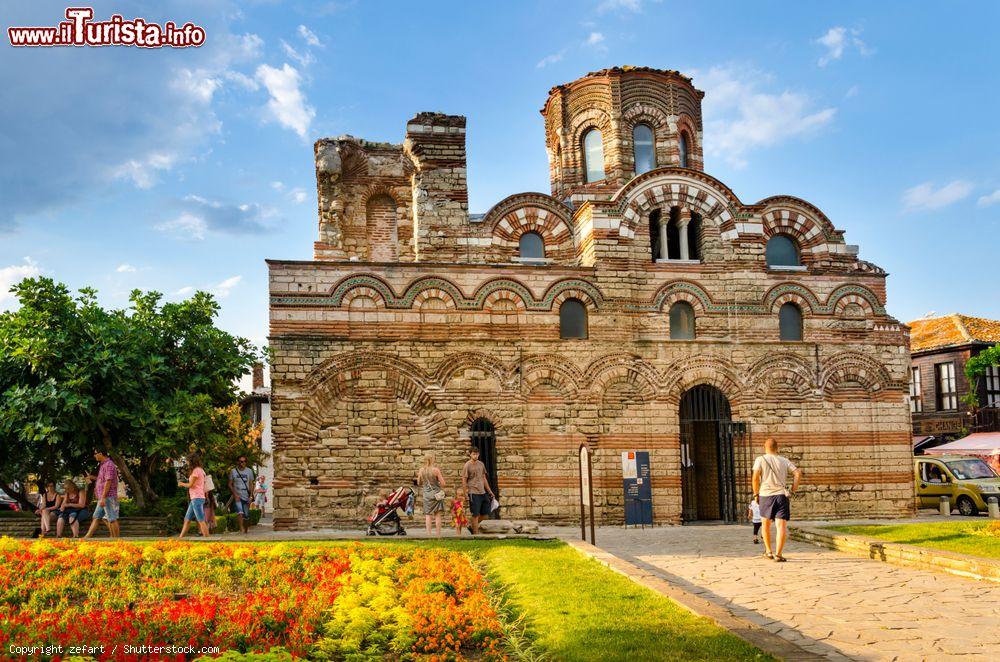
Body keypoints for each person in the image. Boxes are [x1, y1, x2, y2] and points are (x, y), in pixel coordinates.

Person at [752, 438, 803, 562]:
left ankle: (769, 552)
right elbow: (797, 473)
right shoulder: (784, 460)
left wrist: (755, 494)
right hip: (781, 495)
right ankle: (778, 555)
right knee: (781, 526)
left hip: (765, 495)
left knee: (765, 525)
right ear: (777, 448)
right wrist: (794, 489)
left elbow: (755, 478)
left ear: (765, 447)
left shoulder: (760, 459)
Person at [84, 449, 121, 539]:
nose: (94, 455)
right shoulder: (103, 464)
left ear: (101, 453)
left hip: (108, 496)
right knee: (96, 517)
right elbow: (102, 479)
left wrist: (104, 497)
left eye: (95, 454)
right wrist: (91, 477)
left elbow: (108, 481)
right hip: (103, 497)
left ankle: (117, 540)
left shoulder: (109, 465)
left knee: (111, 519)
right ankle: (86, 538)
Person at [461, 447, 495, 535]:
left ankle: (472, 526)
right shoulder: (467, 465)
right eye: (473, 454)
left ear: (479, 454)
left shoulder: (481, 464)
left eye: (477, 454)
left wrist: (490, 491)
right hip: (473, 492)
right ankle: (475, 535)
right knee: (475, 514)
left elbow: (484, 478)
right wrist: (465, 494)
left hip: (482, 492)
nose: (475, 456)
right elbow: (464, 480)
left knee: (485, 514)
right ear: (470, 454)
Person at [178, 453, 210, 538]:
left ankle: (208, 540)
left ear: (191, 461)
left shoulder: (196, 471)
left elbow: (190, 485)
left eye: (188, 461)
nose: (187, 463)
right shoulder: (201, 470)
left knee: (201, 520)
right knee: (187, 520)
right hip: (196, 498)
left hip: (197, 498)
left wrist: (181, 484)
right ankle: (180, 539)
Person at [416, 454, 447, 537]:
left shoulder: (421, 470)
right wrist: (438, 483)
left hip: (426, 495)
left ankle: (428, 535)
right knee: (437, 515)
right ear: (432, 460)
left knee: (428, 515)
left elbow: (418, 483)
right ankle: (438, 535)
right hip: (436, 495)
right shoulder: (436, 470)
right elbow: (443, 484)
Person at [228, 455, 255, 534]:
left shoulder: (249, 471)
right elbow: (229, 484)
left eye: (243, 461)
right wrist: (235, 494)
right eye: (240, 461)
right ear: (238, 462)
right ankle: (241, 529)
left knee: (246, 515)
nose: (242, 463)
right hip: (237, 495)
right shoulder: (233, 471)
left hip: (246, 495)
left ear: (246, 463)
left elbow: (251, 484)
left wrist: (251, 496)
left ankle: (245, 529)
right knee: (240, 512)